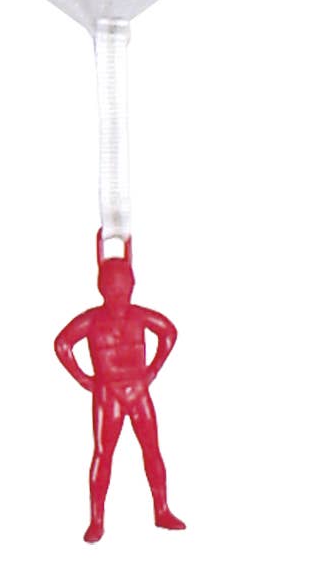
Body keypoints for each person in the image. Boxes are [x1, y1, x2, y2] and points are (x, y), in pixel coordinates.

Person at [54, 232, 186, 542]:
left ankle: (161, 510)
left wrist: (152, 370)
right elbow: (62, 344)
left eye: (122, 288)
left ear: (131, 286)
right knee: (103, 455)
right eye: (112, 289)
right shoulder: (92, 320)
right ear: (102, 288)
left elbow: (169, 331)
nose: (118, 294)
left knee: (151, 450)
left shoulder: (138, 316)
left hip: (138, 391)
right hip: (109, 395)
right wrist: (84, 379)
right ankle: (97, 520)